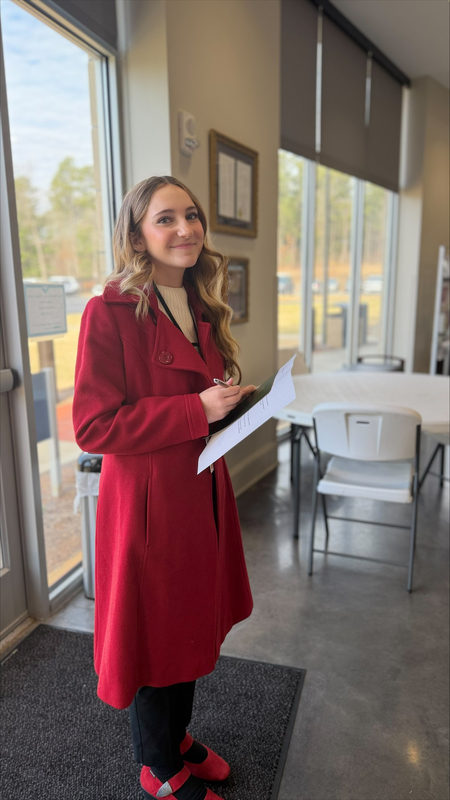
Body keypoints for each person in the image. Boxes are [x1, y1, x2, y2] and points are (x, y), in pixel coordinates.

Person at [72, 176, 256, 800]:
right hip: (149, 507)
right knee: (156, 635)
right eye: (165, 219)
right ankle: (157, 762)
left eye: (193, 216)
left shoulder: (198, 304)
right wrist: (197, 411)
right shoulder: (109, 311)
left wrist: (230, 408)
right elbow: (93, 426)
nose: (185, 230)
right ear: (138, 234)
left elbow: (191, 402)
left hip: (198, 492)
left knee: (189, 625)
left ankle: (177, 736)